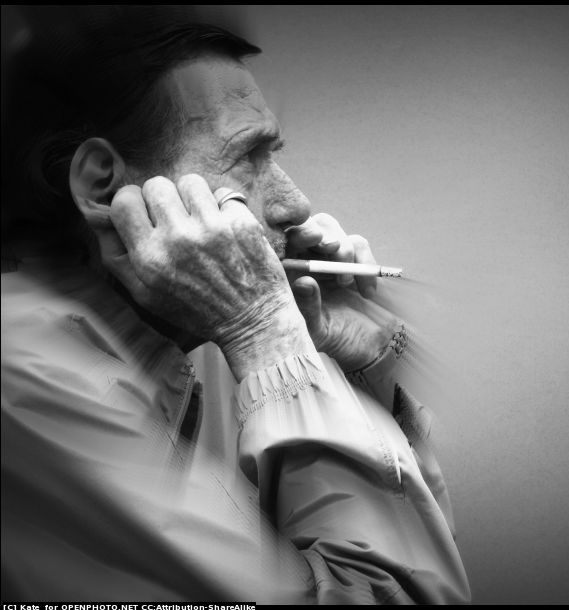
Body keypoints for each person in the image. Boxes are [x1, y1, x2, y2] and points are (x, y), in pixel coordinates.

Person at [0, 6, 470, 604]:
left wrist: (356, 370)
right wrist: (266, 336)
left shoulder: (206, 349)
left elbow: (418, 568)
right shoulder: (25, 376)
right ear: (103, 185)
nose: (295, 204)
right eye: (250, 156)